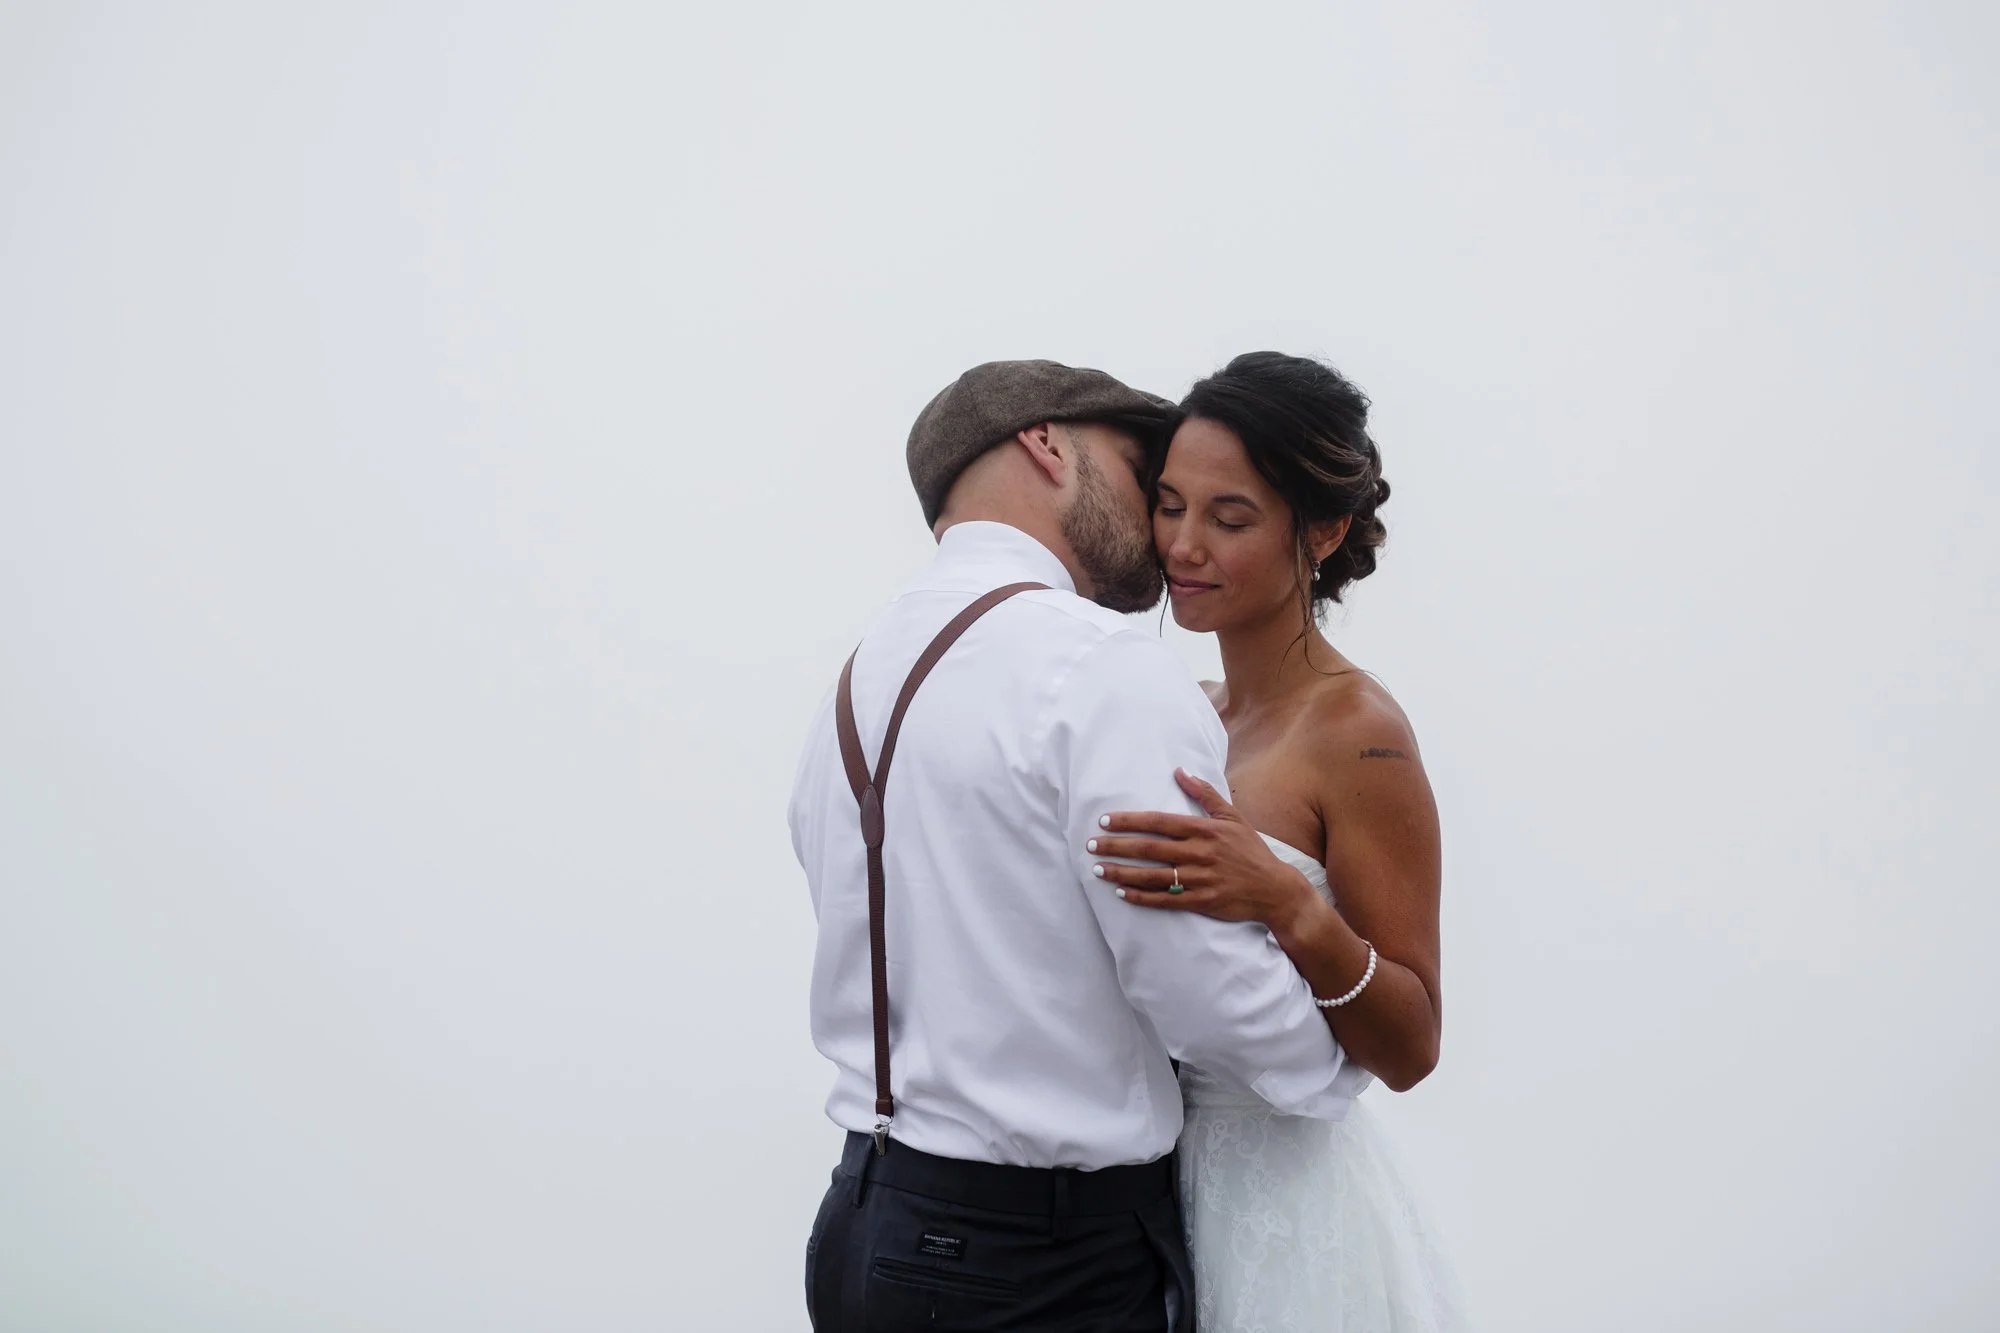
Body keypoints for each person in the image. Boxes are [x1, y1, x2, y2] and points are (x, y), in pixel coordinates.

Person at [789, 359, 1365, 1332]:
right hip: (1037, 1261)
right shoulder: (1101, 666)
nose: (1160, 517)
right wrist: (1334, 1068)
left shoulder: (860, 673)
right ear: (1046, 446)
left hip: (861, 1225)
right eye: (1142, 468)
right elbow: (1202, 991)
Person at [1089, 351, 1471, 1330]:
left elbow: (1413, 1044)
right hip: (1142, 1204)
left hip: (1291, 1222)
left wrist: (1286, 900)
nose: (1181, 544)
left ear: (1323, 530)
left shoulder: (1358, 734)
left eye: (1229, 518)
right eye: (1169, 505)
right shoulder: (1186, 709)